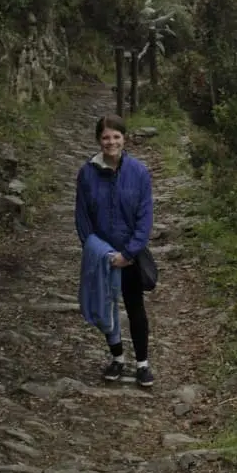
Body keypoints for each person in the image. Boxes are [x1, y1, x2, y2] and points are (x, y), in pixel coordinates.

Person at [75, 114, 154, 388]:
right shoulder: (87, 173)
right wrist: (97, 250)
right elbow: (82, 217)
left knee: (135, 308)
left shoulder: (139, 173)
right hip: (102, 255)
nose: (111, 142)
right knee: (106, 307)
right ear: (99, 139)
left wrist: (129, 253)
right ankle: (117, 358)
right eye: (106, 137)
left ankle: (142, 364)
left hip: (129, 255)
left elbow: (145, 219)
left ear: (124, 139)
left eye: (116, 136)